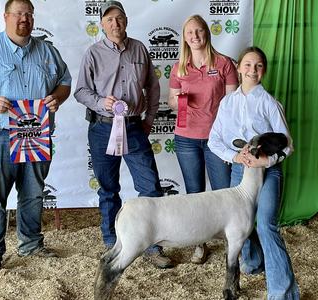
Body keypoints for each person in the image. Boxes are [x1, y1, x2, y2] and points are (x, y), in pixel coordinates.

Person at [0, 0, 71, 272]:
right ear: (6, 16)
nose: (25, 19)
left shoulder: (47, 51)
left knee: (33, 194)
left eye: (29, 14)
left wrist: (56, 98)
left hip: (36, 133)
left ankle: (31, 243)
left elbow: (64, 82)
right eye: (19, 13)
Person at [74, 0, 172, 269]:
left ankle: (153, 245)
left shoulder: (140, 48)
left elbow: (152, 87)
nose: (114, 24)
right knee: (108, 189)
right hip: (102, 127)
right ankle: (111, 242)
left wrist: (149, 118)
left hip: (133, 126)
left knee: (150, 187)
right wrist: (100, 102)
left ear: (126, 20)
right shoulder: (92, 53)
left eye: (118, 18)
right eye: (109, 20)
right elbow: (80, 91)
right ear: (102, 25)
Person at [208, 46, 300, 299]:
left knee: (266, 225)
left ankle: (283, 292)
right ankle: (254, 262)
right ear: (238, 68)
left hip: (268, 173)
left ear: (264, 71)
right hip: (240, 171)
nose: (252, 70)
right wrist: (235, 156)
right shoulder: (227, 103)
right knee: (240, 226)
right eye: (247, 65)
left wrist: (266, 161)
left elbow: (288, 145)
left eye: (258, 66)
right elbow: (214, 140)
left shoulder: (270, 103)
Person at [167, 14, 238, 264]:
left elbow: (233, 103)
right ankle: (200, 244)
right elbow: (171, 102)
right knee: (194, 193)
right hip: (186, 138)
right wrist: (179, 101)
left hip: (217, 140)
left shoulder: (224, 64)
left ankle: (233, 243)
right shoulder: (179, 67)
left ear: (207, 33)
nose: (194, 36)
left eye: (199, 31)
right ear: (184, 38)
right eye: (189, 33)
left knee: (224, 192)